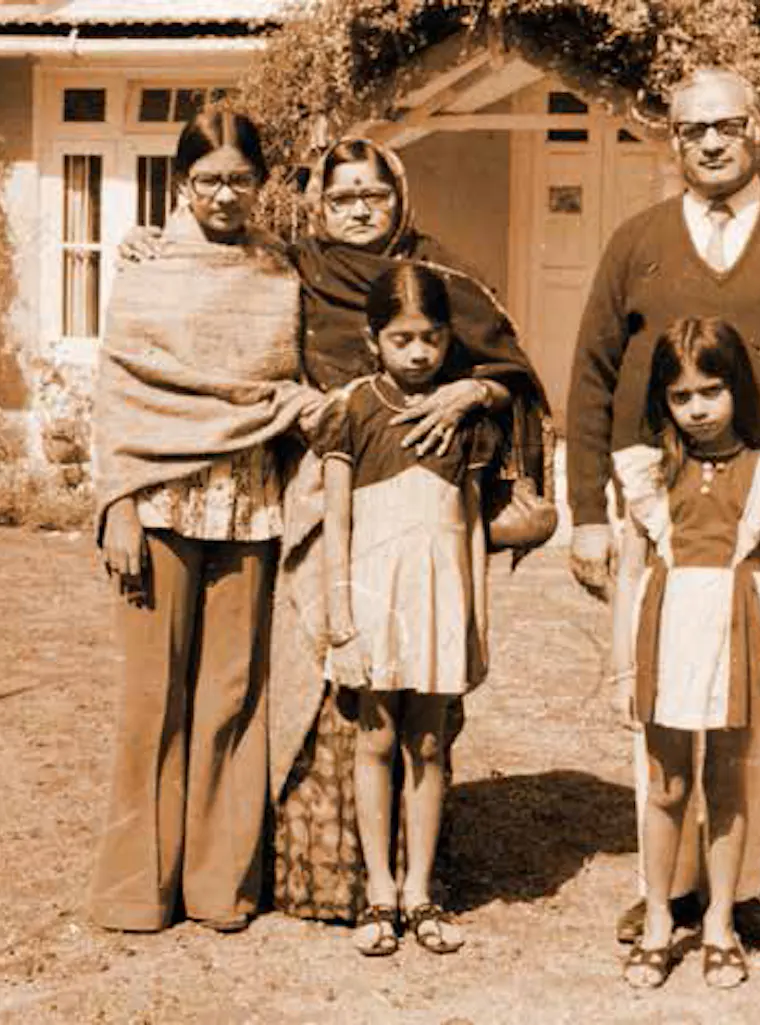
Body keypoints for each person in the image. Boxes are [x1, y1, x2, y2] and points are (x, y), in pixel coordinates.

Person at [564, 67, 760, 947]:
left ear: (758, 130)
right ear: (673, 140)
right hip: (663, 516)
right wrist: (587, 511)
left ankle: (742, 893)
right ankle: (665, 886)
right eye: (692, 129)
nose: (709, 142)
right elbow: (590, 376)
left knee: (752, 709)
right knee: (660, 709)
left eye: (727, 125)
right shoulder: (637, 242)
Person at [267, 138, 548, 927]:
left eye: (374, 195)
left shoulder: (440, 276)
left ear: (399, 197)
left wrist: (468, 392)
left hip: (429, 513)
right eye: (342, 197)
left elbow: (512, 373)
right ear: (318, 205)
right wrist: (148, 244)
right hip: (327, 495)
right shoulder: (296, 268)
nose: (359, 210)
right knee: (337, 685)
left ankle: (417, 878)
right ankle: (335, 880)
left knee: (421, 702)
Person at [87, 110, 316, 933]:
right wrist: (116, 503)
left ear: (262, 184)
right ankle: (136, 888)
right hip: (158, 504)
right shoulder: (147, 268)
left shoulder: (279, 269)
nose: (225, 195)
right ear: (184, 183)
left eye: (240, 180)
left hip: (249, 503)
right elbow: (118, 389)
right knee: (152, 695)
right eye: (209, 179)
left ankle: (222, 883)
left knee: (232, 693)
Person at [612, 317, 760, 988]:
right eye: (680, 396)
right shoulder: (649, 471)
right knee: (667, 783)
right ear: (663, 400)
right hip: (667, 631)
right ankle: (659, 919)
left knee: (727, 783)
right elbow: (629, 573)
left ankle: (721, 922)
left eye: (711, 391)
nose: (697, 409)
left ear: (737, 389)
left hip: (737, 629)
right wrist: (622, 665)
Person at [314, 264, 500, 956]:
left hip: (440, 594)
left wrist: (477, 619)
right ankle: (379, 890)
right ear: (373, 340)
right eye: (402, 338)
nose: (419, 352)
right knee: (376, 737)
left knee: (428, 742)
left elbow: (472, 524)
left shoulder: (466, 419)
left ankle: (421, 890)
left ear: (448, 337)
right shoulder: (352, 409)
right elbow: (336, 520)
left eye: (432, 337)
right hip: (373, 595)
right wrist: (341, 616)